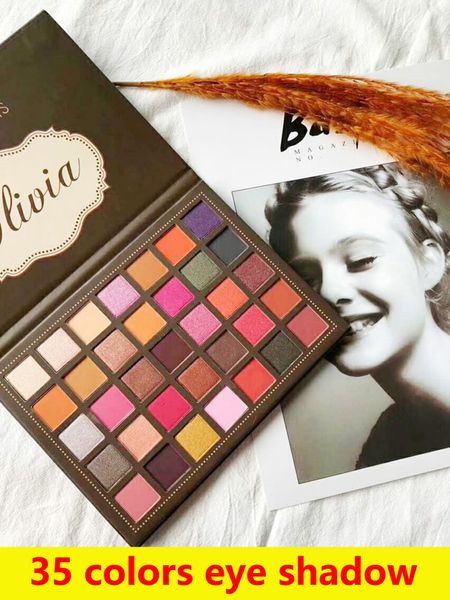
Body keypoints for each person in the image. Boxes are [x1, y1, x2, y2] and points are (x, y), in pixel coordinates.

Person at [265, 163, 450, 468]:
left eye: (362, 260)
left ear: (428, 264)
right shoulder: (386, 448)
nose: (328, 292)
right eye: (305, 279)